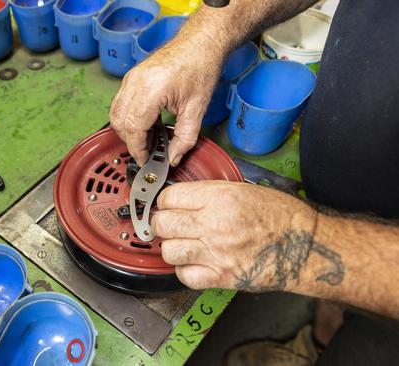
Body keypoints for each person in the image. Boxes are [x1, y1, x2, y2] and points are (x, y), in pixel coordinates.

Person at [109, 0, 399, 365]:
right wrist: (204, 39)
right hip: (354, 195)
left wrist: (304, 244)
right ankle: (318, 340)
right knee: (340, 310)